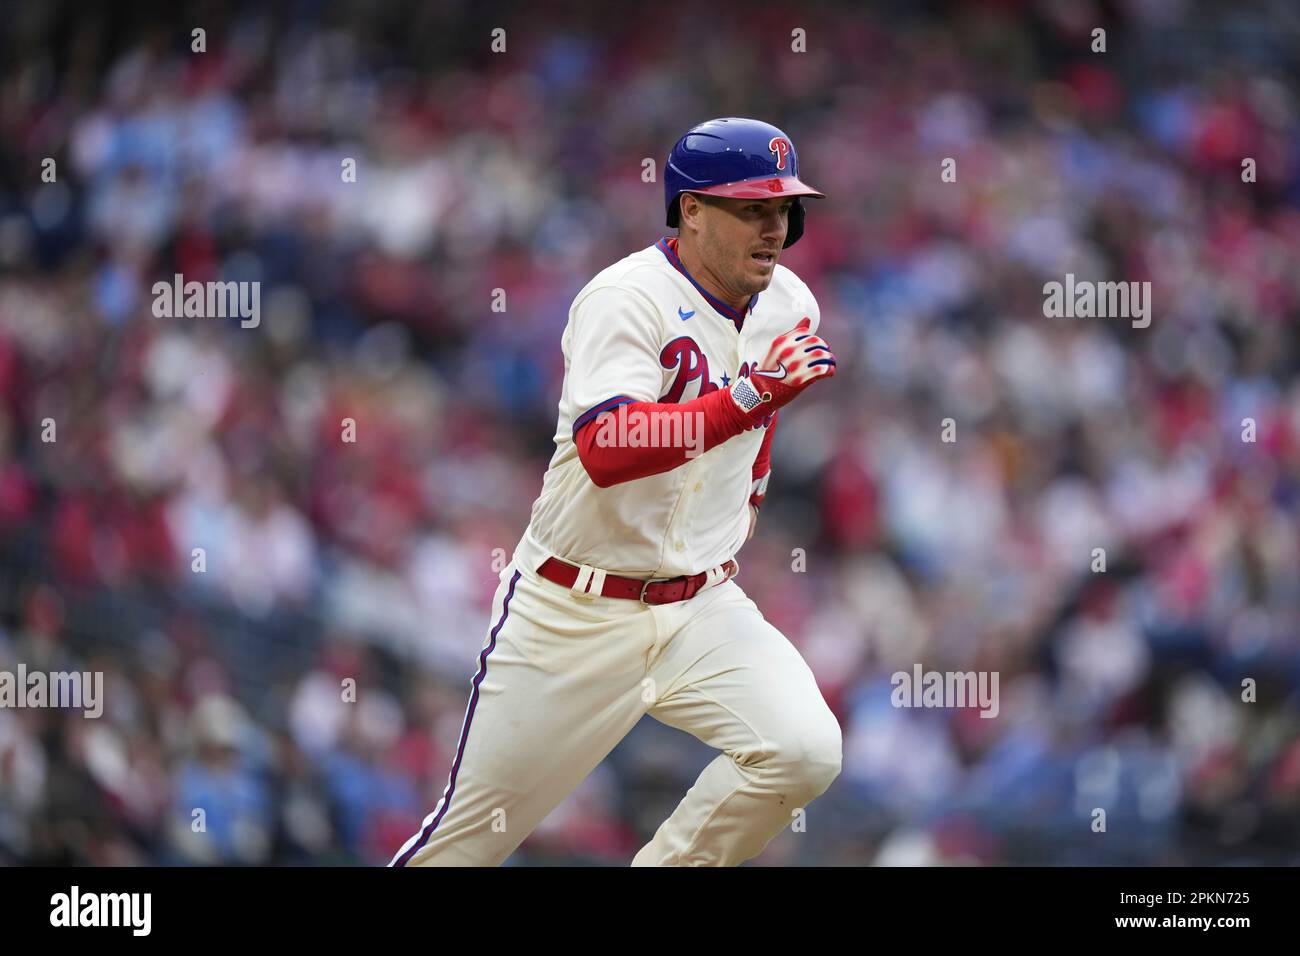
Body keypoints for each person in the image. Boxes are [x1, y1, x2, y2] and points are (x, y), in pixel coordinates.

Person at [391, 117, 841, 867]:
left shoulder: (790, 303)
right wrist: (753, 396)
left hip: (700, 605)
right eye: (752, 208)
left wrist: (748, 491)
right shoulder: (626, 298)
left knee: (802, 750)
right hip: (573, 611)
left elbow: (756, 439)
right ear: (690, 209)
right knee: (466, 846)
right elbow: (607, 447)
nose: (775, 228)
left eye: (784, 209)